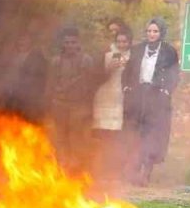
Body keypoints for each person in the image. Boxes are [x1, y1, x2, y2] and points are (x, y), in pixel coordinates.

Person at [121, 18, 179, 185]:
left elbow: (174, 74)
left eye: (155, 31)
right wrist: (126, 87)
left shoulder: (169, 52)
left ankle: (146, 172)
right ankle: (133, 170)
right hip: (138, 95)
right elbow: (128, 71)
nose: (151, 34)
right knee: (135, 133)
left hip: (157, 97)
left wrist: (166, 90)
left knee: (152, 134)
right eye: (149, 31)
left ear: (161, 33)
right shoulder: (138, 49)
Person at [46, 26, 96, 172]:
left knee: (77, 138)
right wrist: (49, 104)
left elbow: (91, 86)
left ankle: (77, 169)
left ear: (78, 43)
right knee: (60, 137)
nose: (70, 46)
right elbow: (50, 85)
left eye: (73, 42)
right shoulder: (56, 61)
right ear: (62, 44)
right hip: (59, 104)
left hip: (79, 106)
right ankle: (62, 166)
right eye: (67, 43)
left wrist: (88, 108)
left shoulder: (86, 61)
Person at [92, 30, 132, 177]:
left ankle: (115, 169)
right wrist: (110, 67)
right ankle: (101, 169)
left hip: (122, 98)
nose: (121, 44)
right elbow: (97, 76)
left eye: (124, 41)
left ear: (129, 42)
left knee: (117, 136)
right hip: (105, 97)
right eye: (119, 41)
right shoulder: (107, 56)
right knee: (103, 136)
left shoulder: (133, 57)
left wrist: (128, 65)